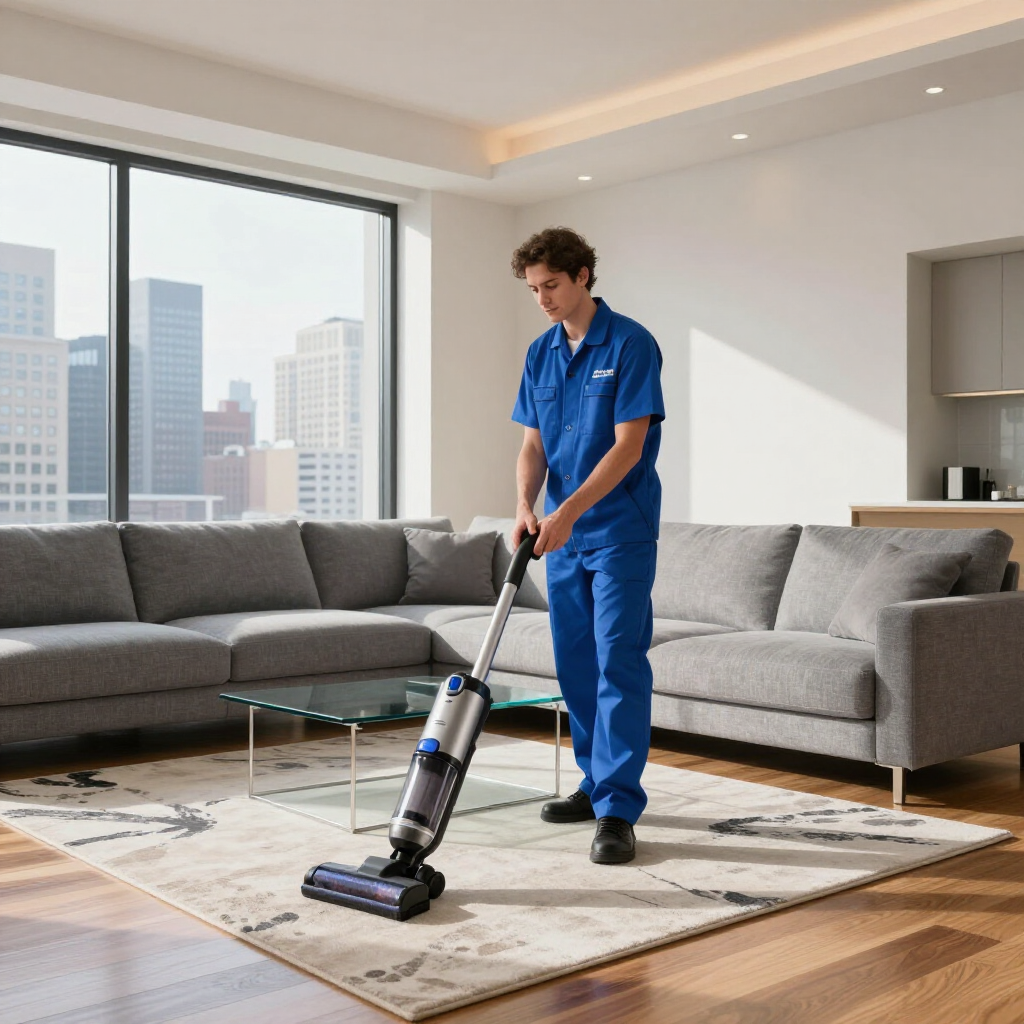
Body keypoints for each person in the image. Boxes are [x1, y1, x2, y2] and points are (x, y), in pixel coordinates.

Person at [510, 226, 665, 864]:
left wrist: (568, 511)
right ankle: (593, 781)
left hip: (619, 530)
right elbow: (533, 445)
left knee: (617, 661)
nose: (542, 298)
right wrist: (525, 505)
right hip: (561, 536)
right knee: (575, 662)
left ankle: (618, 808)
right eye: (533, 289)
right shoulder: (540, 353)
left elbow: (629, 447)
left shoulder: (631, 343)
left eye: (550, 285)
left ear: (582, 276)